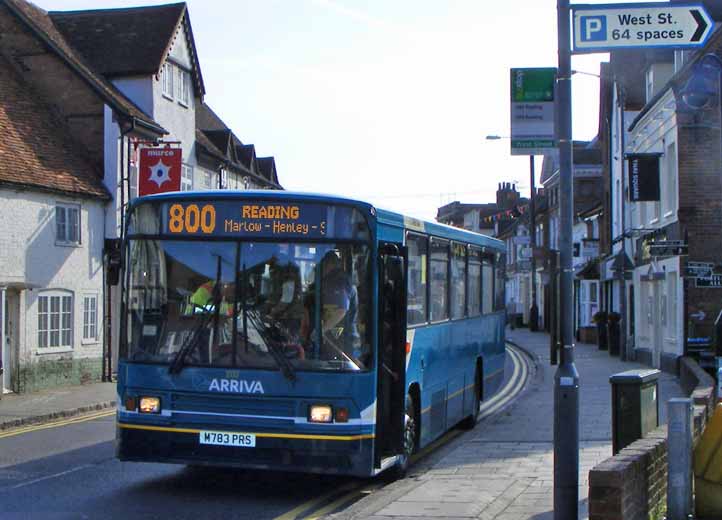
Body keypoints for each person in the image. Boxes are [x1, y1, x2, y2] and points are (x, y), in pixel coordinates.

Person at [301, 251, 361, 359]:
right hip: (330, 339)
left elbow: (341, 310)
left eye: (321, 265)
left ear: (330, 264)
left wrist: (321, 330)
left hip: (342, 339)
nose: (317, 268)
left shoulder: (339, 280)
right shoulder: (323, 282)